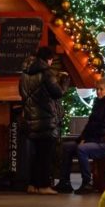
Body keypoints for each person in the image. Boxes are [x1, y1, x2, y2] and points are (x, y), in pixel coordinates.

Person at [56, 78, 105, 195]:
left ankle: (87, 182)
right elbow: (91, 125)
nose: (98, 92)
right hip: (98, 140)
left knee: (82, 149)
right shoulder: (100, 103)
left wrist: (88, 141)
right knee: (67, 147)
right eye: (97, 89)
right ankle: (64, 182)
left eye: (101, 89)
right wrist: (82, 138)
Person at [19, 46, 67, 195]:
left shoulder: (25, 74)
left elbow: (21, 92)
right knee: (45, 154)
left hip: (30, 118)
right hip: (45, 119)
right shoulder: (46, 73)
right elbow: (58, 93)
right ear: (49, 59)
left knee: (35, 154)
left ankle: (32, 185)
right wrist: (65, 81)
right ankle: (44, 185)